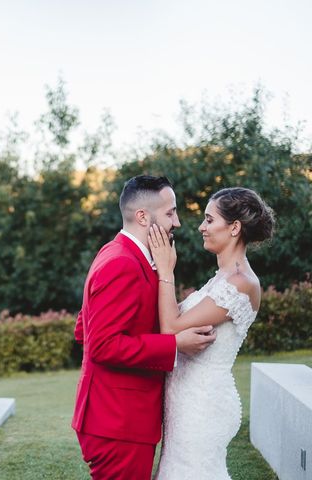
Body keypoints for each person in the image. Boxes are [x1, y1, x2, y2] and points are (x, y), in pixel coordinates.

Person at [72, 175, 217, 479]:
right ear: (142, 216)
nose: (176, 222)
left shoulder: (118, 253)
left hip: (120, 417)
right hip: (116, 421)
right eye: (169, 213)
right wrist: (175, 344)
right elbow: (102, 345)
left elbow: (83, 329)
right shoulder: (121, 263)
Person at [149, 187, 275, 479]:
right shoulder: (221, 279)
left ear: (234, 228)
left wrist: (166, 271)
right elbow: (174, 322)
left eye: (209, 220)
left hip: (203, 405)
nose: (201, 227)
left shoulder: (241, 283)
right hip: (186, 400)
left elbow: (170, 328)